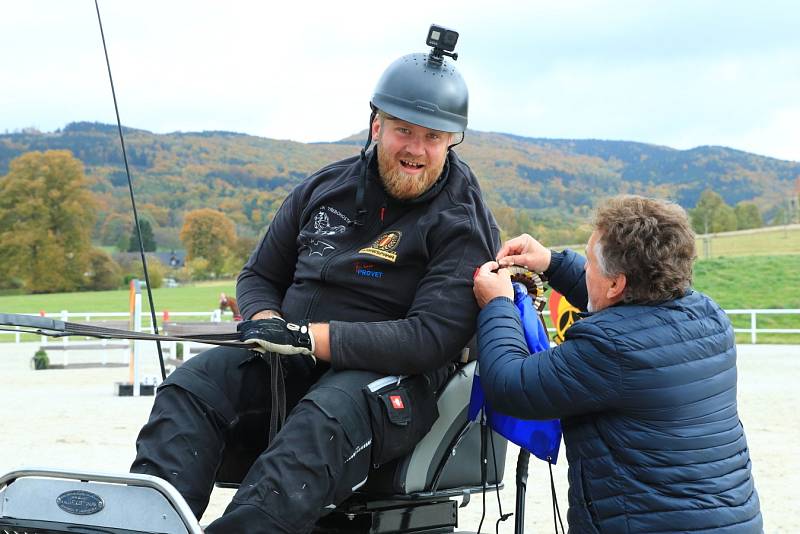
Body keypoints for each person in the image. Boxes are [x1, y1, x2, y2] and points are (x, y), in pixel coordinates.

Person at [131, 36, 498, 533]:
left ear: (452, 140)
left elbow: (428, 338)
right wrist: (266, 324)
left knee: (322, 418)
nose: (416, 149)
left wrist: (308, 339)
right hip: (291, 359)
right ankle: (150, 524)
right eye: (403, 130)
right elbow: (259, 275)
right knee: (191, 386)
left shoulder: (461, 221)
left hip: (391, 378)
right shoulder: (325, 188)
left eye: (433, 137)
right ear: (376, 124)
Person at [473, 195, 762, 533]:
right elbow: (623, 308)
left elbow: (511, 384)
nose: (584, 267)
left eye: (590, 263)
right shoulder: (708, 316)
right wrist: (551, 263)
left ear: (616, 283)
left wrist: (498, 305)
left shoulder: (607, 350)